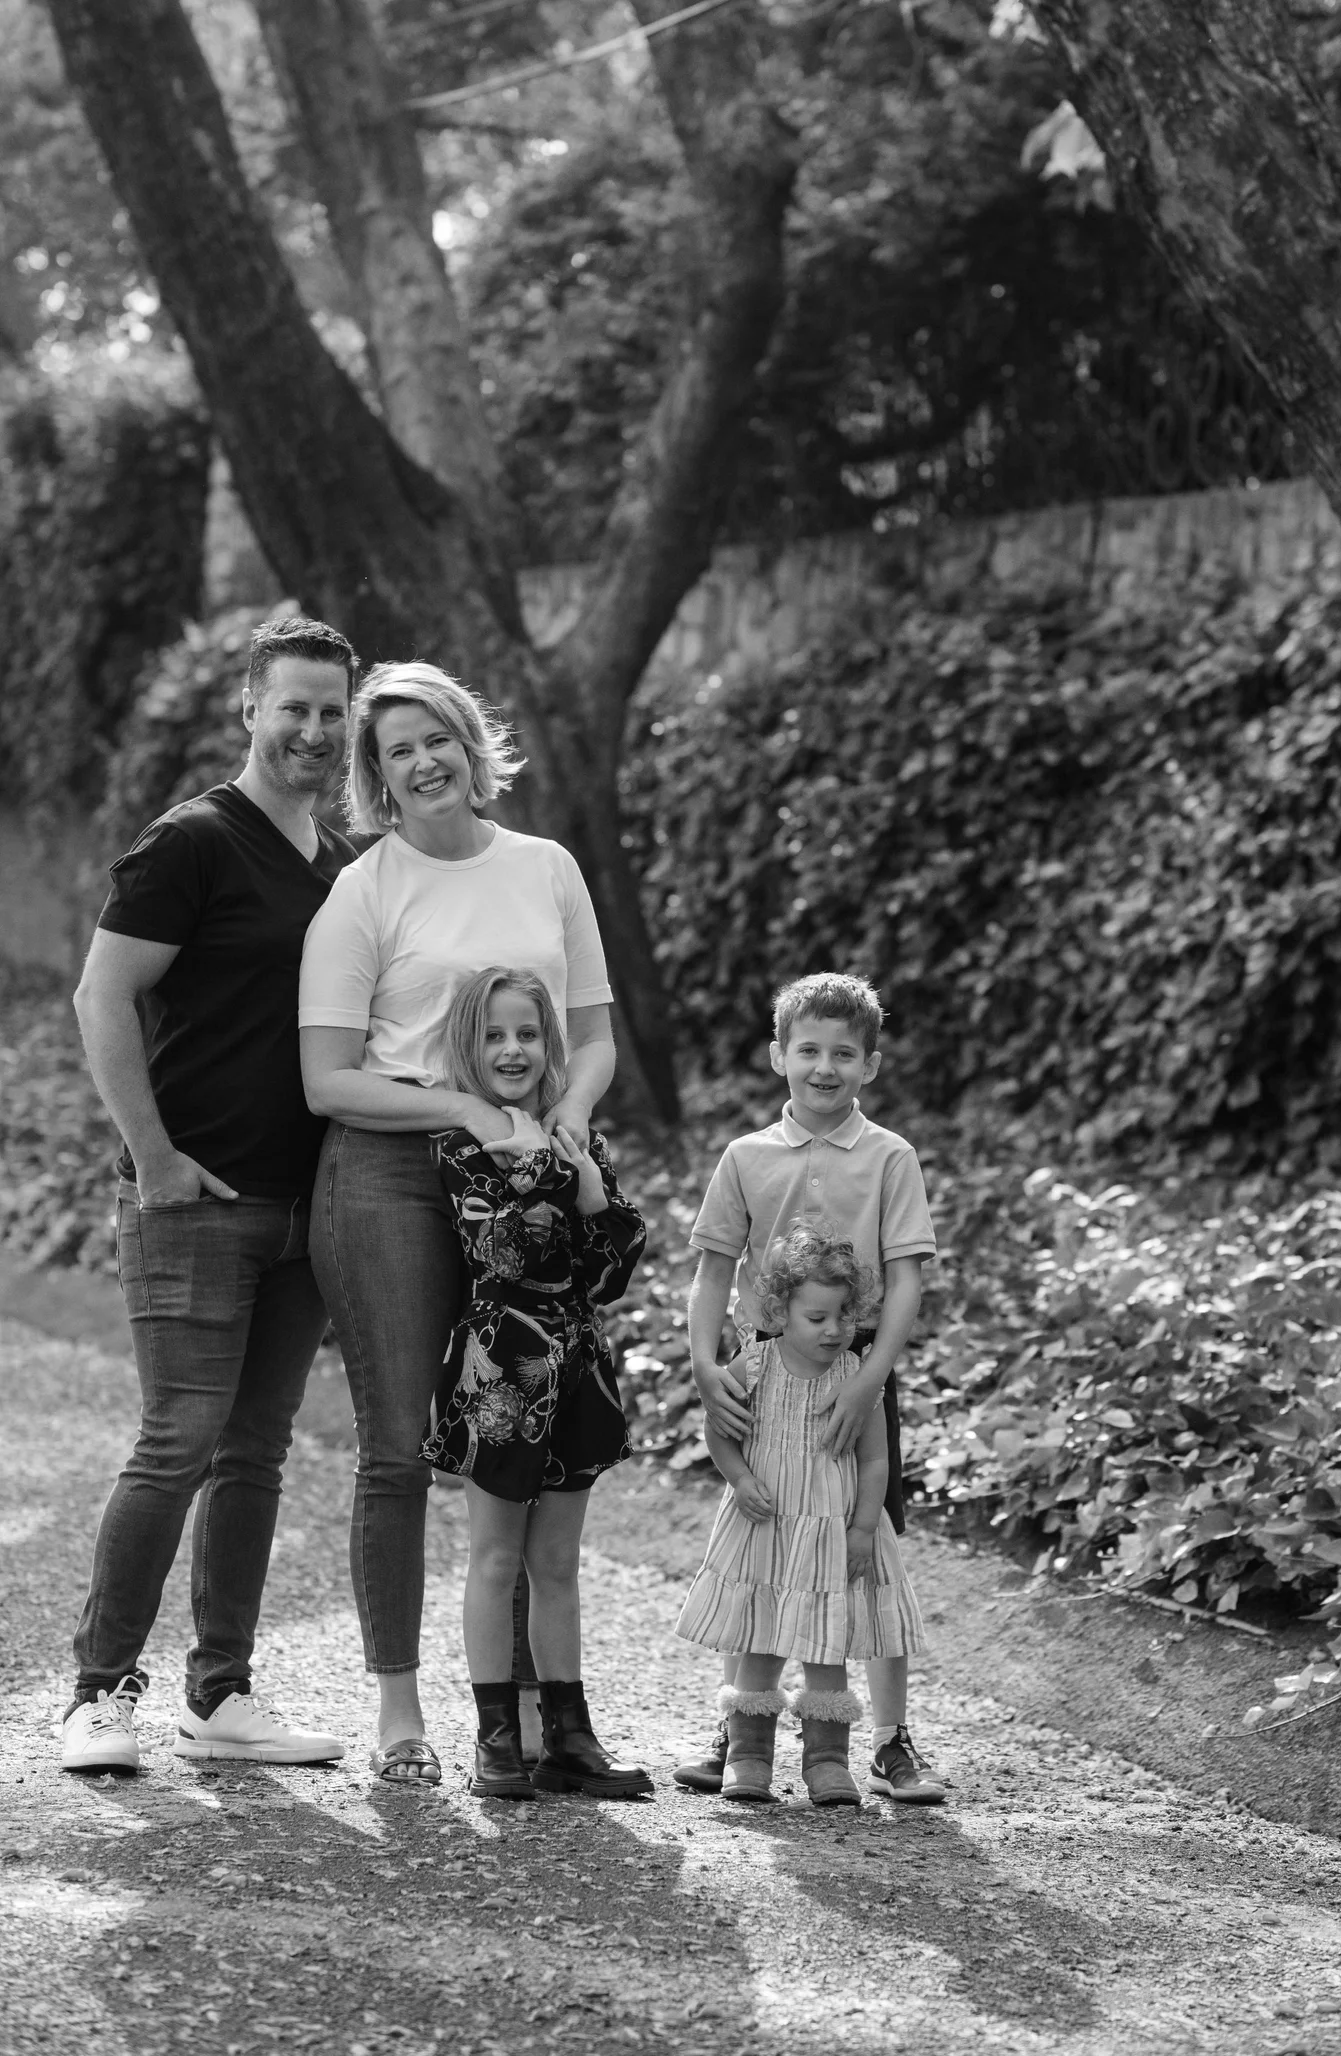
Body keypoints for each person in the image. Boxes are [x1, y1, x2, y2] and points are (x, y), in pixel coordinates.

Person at [299, 661, 617, 1786]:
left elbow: (592, 1036)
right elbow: (328, 1078)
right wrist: (466, 1109)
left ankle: (527, 1723)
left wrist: (566, 1119)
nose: (424, 761)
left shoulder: (547, 867)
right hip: (391, 1172)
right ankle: (400, 1713)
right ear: (376, 777)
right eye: (398, 751)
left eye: (438, 737)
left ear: (470, 743)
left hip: (528, 1170)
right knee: (398, 1444)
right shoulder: (364, 891)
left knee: (526, 1434)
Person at [61, 613, 359, 1776]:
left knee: (255, 1452)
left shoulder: (341, 863)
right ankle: (97, 1693)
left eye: (332, 711)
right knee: (178, 1440)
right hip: (197, 1202)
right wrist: (154, 1155)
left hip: (304, 1207)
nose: (313, 730)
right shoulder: (191, 841)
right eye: (293, 707)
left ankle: (220, 1692)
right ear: (249, 709)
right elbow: (101, 996)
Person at [675, 971, 945, 1805]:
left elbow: (906, 1277)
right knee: (762, 1544)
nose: (825, 1068)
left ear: (870, 1064)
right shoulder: (745, 1157)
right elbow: (713, 1267)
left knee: (869, 1553)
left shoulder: (890, 1156)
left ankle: (890, 1740)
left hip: (859, 1367)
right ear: (778, 1056)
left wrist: (871, 1380)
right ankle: (740, 1728)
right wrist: (704, 1363)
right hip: (767, 1369)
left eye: (843, 1054)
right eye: (809, 1051)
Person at [419, 965, 652, 1799]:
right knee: (494, 1557)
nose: (512, 1050)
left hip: (578, 1368)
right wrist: (552, 1178)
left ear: (550, 1045)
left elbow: (613, 1267)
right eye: (494, 1035)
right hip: (502, 1374)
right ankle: (495, 1741)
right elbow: (505, 1253)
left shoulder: (577, 1136)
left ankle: (569, 1739)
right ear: (468, 1047)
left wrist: (586, 1186)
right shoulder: (460, 1145)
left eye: (527, 1034)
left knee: (556, 1561)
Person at [676, 1220, 925, 1804]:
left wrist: (863, 1528)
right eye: (817, 1318)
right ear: (781, 1312)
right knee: (761, 1641)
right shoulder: (755, 1366)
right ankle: (747, 1758)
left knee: (825, 1646)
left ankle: (827, 1763)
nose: (834, 1330)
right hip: (767, 1525)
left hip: (831, 1529)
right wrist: (740, 1480)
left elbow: (876, 1461)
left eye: (843, 1316)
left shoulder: (856, 1378)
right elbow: (719, 1430)